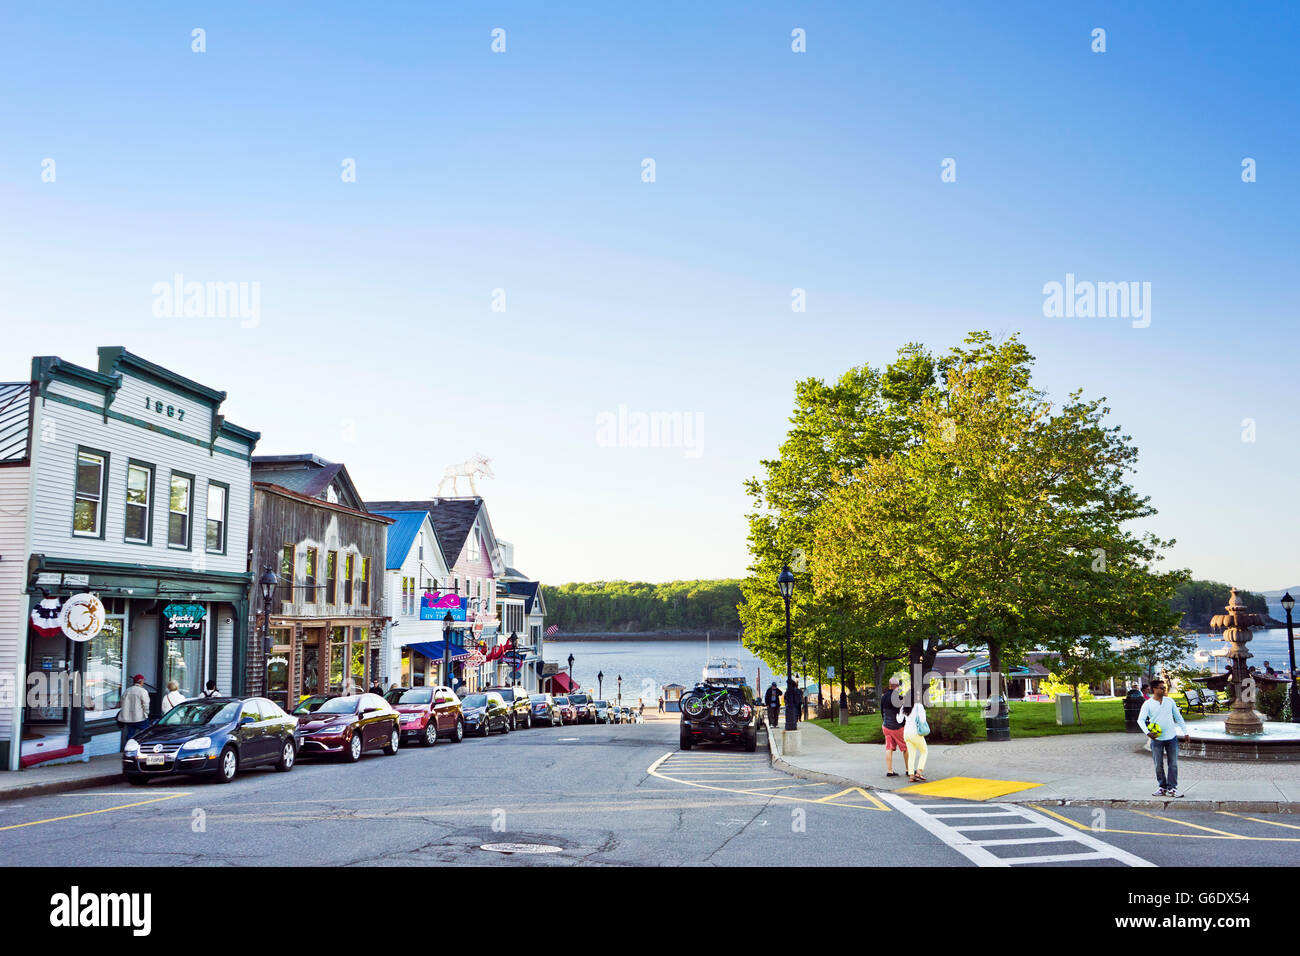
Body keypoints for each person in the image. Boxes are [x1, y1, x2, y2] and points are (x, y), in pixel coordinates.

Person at [1136, 678, 1190, 797]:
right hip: (1157, 739)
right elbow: (1140, 720)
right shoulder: (1148, 704)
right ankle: (1162, 787)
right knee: (1158, 765)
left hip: (1171, 738)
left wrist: (1185, 732)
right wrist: (1147, 732)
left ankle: (1172, 788)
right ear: (1154, 689)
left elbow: (1178, 717)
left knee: (1173, 764)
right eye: (1161, 688)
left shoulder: (1169, 701)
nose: (1164, 689)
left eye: (1164, 687)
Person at [879, 676, 908, 778]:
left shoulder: (884, 697)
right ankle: (908, 769)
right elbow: (903, 713)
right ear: (897, 686)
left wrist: (885, 722)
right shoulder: (899, 697)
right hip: (897, 728)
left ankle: (889, 771)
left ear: (890, 685)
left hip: (886, 727)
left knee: (889, 748)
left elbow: (882, 712)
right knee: (905, 748)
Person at [898, 687, 929, 783]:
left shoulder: (904, 707)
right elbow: (923, 720)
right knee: (924, 751)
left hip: (906, 734)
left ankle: (911, 776)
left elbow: (899, 720)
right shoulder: (919, 706)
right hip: (916, 733)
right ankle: (919, 772)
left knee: (911, 755)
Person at [119, 674, 151, 749]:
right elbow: (146, 704)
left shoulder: (127, 690)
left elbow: (121, 702)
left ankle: (128, 749)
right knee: (145, 733)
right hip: (140, 717)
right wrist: (146, 713)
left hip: (128, 718)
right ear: (140, 682)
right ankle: (143, 748)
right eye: (143, 681)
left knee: (130, 734)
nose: (143, 682)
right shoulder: (142, 691)